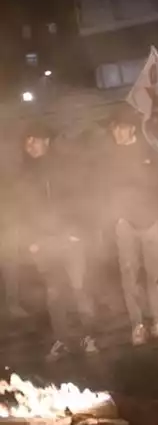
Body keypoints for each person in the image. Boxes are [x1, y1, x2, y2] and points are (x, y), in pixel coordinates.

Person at [16, 124, 98, 360]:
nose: (31, 146)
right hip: (44, 242)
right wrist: (32, 240)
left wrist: (77, 229)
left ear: (47, 142)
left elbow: (80, 196)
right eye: (27, 142)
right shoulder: (25, 173)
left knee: (80, 288)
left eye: (35, 140)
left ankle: (88, 335)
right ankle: (62, 338)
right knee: (54, 293)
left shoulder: (64, 166)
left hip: (69, 237)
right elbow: (23, 210)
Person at [103, 110, 158, 345]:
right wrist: (117, 218)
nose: (117, 132)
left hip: (151, 221)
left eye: (121, 127)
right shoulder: (109, 156)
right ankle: (138, 326)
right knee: (130, 277)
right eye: (114, 128)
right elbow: (103, 190)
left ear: (132, 129)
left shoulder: (148, 150)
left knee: (153, 276)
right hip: (125, 224)